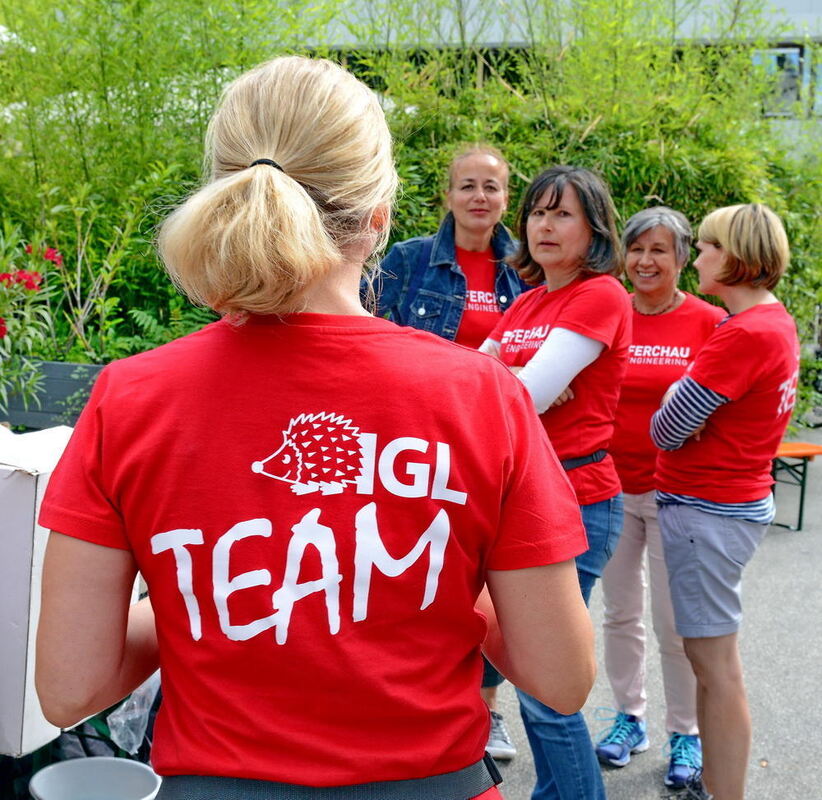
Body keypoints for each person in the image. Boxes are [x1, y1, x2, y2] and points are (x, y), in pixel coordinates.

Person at [34, 56, 598, 800]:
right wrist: (426, 584)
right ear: (378, 217)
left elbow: (71, 690)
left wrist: (209, 601)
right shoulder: (481, 396)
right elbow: (560, 679)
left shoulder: (129, 398)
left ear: (225, 197)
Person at [372, 144, 529, 760]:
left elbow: (547, 343)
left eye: (491, 187)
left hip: (493, 440)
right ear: (448, 195)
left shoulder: (527, 267)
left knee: (485, 576)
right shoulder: (408, 261)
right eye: (467, 185)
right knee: (417, 569)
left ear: (506, 198)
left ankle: (487, 712)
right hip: (417, 436)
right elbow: (370, 336)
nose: (479, 198)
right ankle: (407, 697)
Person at [480, 165, 632, 800]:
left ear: (593, 227)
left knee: (547, 691)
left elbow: (524, 393)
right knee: (497, 668)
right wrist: (517, 377)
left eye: (562, 214)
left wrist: (517, 380)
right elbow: (481, 384)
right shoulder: (531, 299)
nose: (544, 225)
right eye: (538, 212)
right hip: (520, 499)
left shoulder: (600, 295)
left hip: (576, 497)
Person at [651, 204, 799, 800]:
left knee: (714, 668)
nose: (699, 257)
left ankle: (723, 792)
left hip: (706, 510)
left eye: (708, 246)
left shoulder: (741, 335)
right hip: (730, 505)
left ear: (735, 257)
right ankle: (716, 786)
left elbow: (665, 428)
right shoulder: (774, 324)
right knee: (711, 661)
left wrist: (677, 404)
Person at [594, 207, 725, 789]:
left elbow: (729, 395)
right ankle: (630, 718)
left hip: (677, 493)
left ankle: (685, 733)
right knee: (620, 615)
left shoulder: (709, 320)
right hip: (612, 487)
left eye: (660, 251)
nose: (646, 261)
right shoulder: (608, 312)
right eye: (637, 249)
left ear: (680, 259)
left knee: (675, 625)